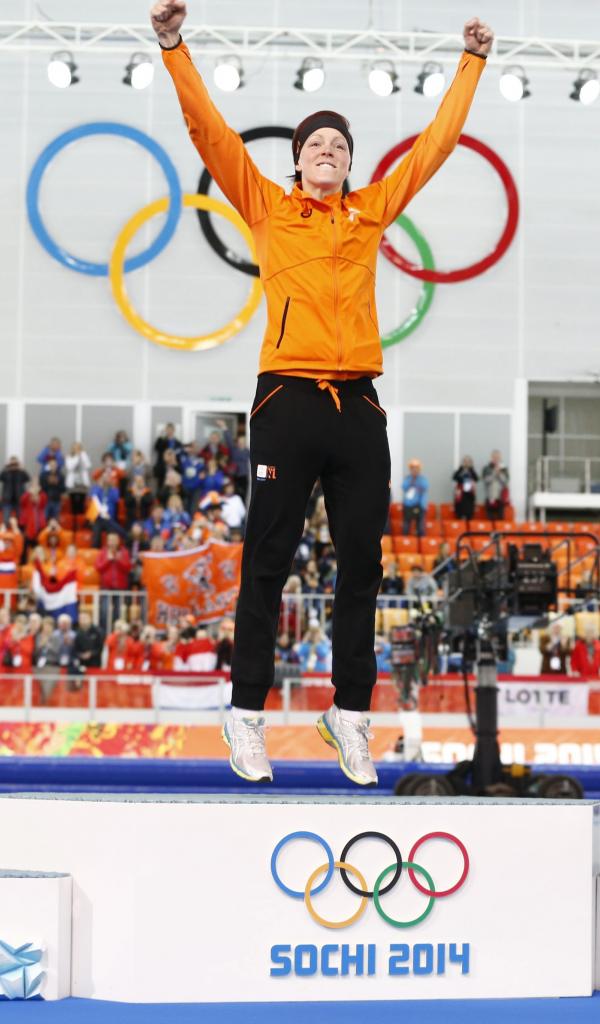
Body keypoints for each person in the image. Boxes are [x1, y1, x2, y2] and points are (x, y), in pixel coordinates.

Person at [151, 0, 492, 785]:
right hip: (287, 401)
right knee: (268, 559)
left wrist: (471, 63)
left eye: (339, 145)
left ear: (349, 163)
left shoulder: (370, 212)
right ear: (298, 161)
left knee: (363, 563)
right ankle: (246, 715)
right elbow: (211, 133)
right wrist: (173, 47)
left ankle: (351, 715)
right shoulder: (268, 208)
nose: (329, 152)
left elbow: (436, 147)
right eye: (316, 145)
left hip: (358, 406)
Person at [402, 459, 428, 537]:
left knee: (420, 526)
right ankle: (405, 540)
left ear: (419, 469)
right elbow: (404, 487)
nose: (414, 470)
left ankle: (421, 541)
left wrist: (417, 482)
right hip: (408, 505)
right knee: (406, 525)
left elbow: (425, 487)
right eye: (413, 468)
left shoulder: (422, 479)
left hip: (420, 505)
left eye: (416, 468)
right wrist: (411, 481)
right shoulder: (408, 479)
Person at [65, 442, 92, 517]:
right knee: (74, 503)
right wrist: (77, 456)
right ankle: (74, 520)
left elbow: (88, 466)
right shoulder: (69, 457)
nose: (77, 449)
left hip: (83, 484)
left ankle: (81, 519)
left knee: (81, 503)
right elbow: (70, 467)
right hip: (72, 484)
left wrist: (82, 455)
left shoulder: (84, 456)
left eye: (78, 448)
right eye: (75, 448)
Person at [0, 456, 30, 525]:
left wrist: (22, 469)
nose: (13, 466)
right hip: (7, 500)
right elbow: (1, 477)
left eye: (15, 464)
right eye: (12, 464)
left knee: (20, 519)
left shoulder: (20, 472)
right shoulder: (6, 472)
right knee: (6, 519)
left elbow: (28, 478)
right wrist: (6, 467)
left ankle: (20, 530)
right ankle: (5, 530)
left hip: (19, 500)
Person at [482, 450, 509, 521]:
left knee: (500, 519)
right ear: (491, 457)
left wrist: (499, 473)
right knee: (490, 519)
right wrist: (494, 473)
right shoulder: (486, 468)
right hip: (490, 497)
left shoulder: (504, 468)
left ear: (500, 458)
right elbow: (485, 480)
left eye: (498, 457)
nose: (496, 459)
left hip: (501, 497)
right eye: (494, 457)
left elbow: (506, 481)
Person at [153, 423, 182, 488]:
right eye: (168, 429)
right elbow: (156, 448)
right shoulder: (161, 440)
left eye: (171, 429)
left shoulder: (178, 443)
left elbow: (179, 455)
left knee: (174, 487)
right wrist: (161, 437)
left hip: (174, 468)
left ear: (174, 430)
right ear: (165, 430)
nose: (169, 431)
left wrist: (175, 463)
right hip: (163, 468)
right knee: (161, 487)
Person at [39, 457, 65, 523]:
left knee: (56, 519)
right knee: (44, 518)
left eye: (54, 464)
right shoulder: (43, 475)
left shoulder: (61, 475)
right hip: (46, 500)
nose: (53, 466)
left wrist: (57, 483)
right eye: (51, 464)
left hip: (56, 500)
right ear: (49, 465)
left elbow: (63, 489)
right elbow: (41, 488)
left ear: (57, 465)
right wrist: (48, 482)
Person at [452, 456, 478, 521]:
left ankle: (468, 518)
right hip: (460, 492)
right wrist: (462, 470)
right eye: (465, 461)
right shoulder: (460, 470)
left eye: (468, 461)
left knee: (469, 509)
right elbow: (454, 477)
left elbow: (476, 478)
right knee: (460, 507)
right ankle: (460, 517)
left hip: (469, 493)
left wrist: (470, 469)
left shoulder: (472, 470)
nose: (466, 463)